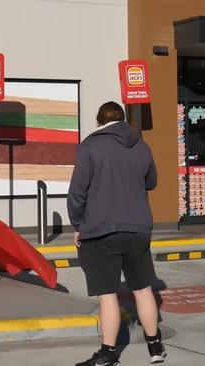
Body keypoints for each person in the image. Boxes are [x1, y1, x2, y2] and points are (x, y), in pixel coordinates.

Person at [67, 102, 166, 365]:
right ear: (123, 120)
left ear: (99, 121)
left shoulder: (90, 146)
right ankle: (155, 346)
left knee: (107, 293)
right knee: (143, 288)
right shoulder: (141, 145)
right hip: (137, 228)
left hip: (100, 229)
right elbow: (152, 181)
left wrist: (78, 225)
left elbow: (77, 192)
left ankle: (108, 353)